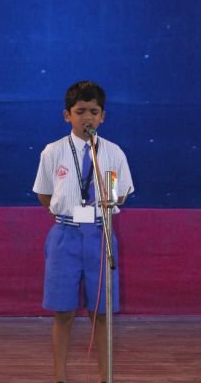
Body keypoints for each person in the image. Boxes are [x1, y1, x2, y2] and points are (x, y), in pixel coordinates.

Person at [33, 80, 134, 383]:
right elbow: (44, 193)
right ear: (67, 115)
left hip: (100, 235)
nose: (87, 117)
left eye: (93, 111)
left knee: (101, 313)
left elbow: (120, 193)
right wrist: (66, 212)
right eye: (80, 112)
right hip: (66, 235)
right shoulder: (53, 152)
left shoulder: (113, 153)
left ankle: (105, 377)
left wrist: (108, 197)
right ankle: (60, 377)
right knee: (63, 311)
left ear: (103, 116)